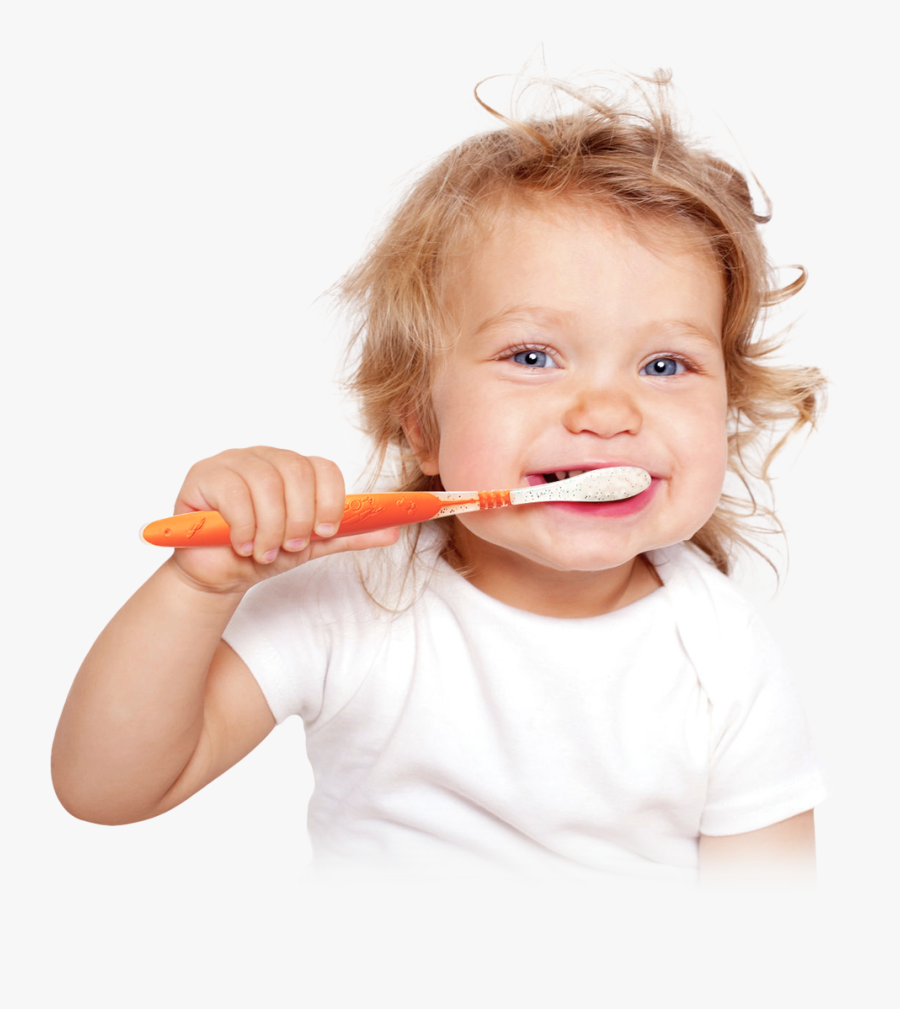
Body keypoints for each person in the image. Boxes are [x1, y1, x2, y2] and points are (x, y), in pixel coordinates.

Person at [51, 72, 827, 886]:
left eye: (666, 364)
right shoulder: (354, 597)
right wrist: (198, 588)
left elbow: (770, 932)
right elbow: (106, 790)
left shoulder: (720, 654)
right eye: (533, 356)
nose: (607, 410)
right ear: (420, 420)